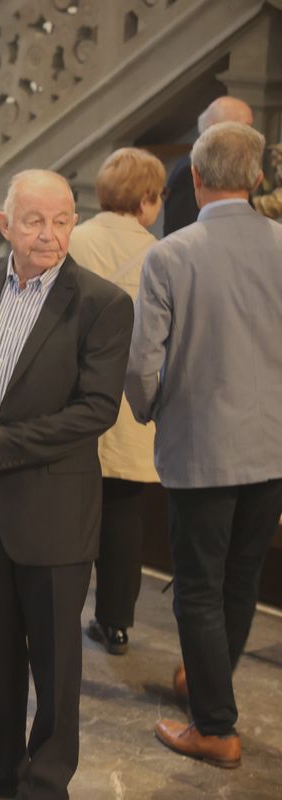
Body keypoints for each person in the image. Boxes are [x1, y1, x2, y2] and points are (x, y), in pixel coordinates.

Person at [0, 170, 133, 800]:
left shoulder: (100, 303)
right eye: (35, 221)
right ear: (5, 225)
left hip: (53, 510)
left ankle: (45, 782)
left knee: (56, 662)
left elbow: (95, 410)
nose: (50, 234)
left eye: (62, 219)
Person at [126, 122, 282, 770]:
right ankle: (206, 681)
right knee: (240, 578)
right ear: (257, 180)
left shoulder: (170, 254)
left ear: (193, 178)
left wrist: (151, 412)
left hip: (201, 449)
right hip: (272, 448)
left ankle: (214, 726)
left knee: (197, 587)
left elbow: (141, 368)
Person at [68, 147, 166, 655]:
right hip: (129, 406)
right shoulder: (162, 253)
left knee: (68, 511)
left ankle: (56, 612)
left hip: (73, 399)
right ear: (148, 200)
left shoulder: (74, 240)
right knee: (123, 517)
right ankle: (116, 622)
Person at [163, 96, 253, 235]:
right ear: (215, 129)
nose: (252, 135)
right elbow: (183, 234)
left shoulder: (231, 166)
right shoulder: (189, 171)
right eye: (244, 128)